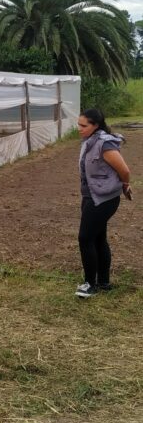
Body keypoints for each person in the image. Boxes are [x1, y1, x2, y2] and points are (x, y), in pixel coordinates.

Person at [76, 108, 132, 298]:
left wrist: (125, 185)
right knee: (98, 238)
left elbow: (124, 170)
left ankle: (89, 284)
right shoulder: (88, 141)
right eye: (79, 124)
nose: (79, 128)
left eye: (84, 125)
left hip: (103, 199)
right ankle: (104, 282)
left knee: (85, 238)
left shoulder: (104, 144)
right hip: (90, 196)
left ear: (96, 126)